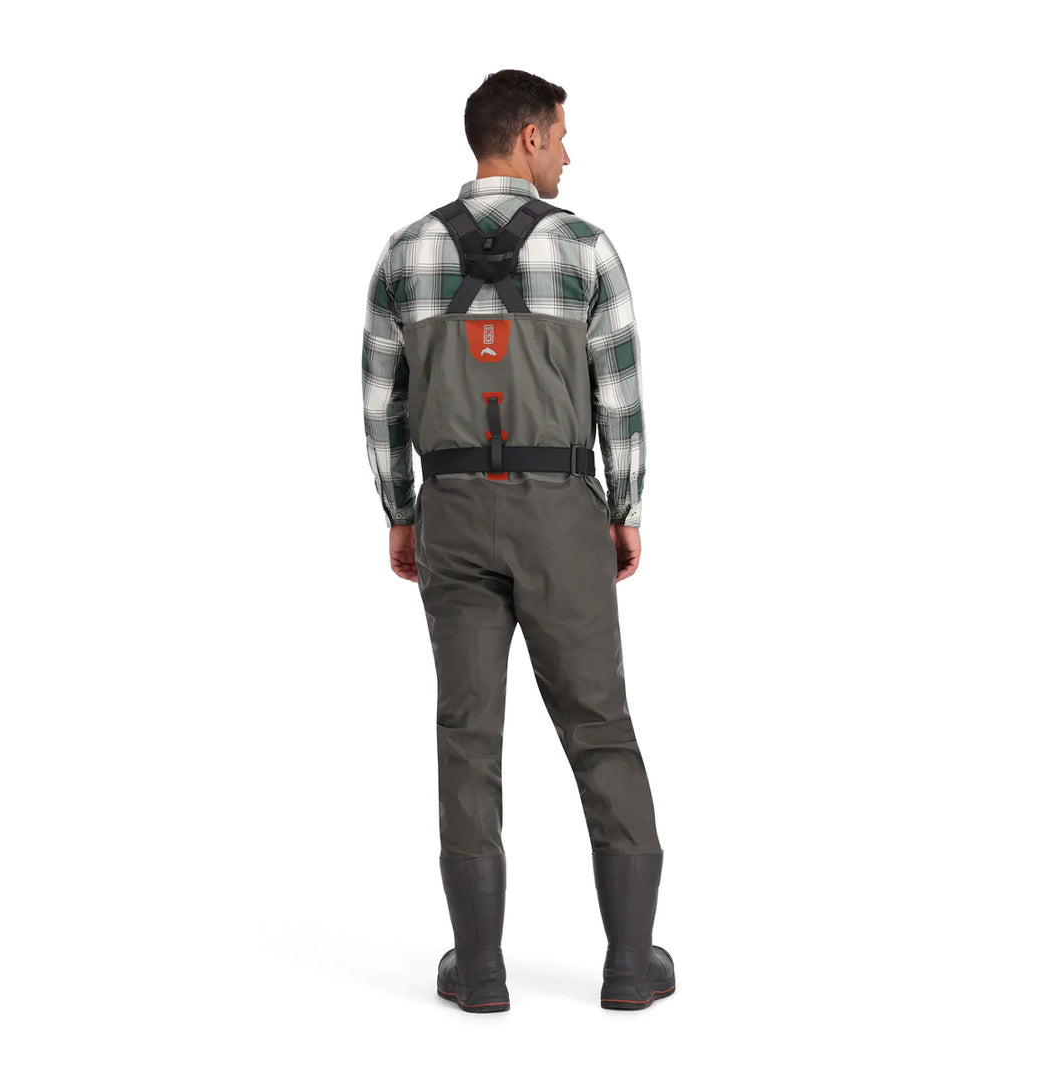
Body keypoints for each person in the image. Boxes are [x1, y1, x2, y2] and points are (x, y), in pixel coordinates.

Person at [361, 69, 674, 1012]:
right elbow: (619, 397)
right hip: (559, 512)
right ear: (529, 135)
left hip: (453, 512)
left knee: (468, 733)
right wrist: (625, 508)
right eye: (562, 135)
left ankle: (480, 970)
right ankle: (630, 967)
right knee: (599, 725)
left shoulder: (405, 253)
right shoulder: (585, 249)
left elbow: (383, 404)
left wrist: (401, 512)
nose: (568, 154)